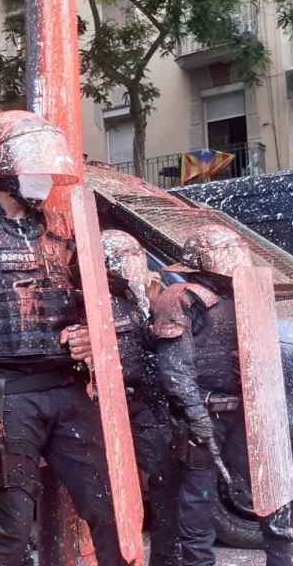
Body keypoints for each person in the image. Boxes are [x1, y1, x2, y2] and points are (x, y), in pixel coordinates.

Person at [0, 110, 126, 566]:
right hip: (6, 396)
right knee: (11, 527)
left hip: (68, 388)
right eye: (30, 165)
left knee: (108, 507)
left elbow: (103, 298)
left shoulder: (60, 228)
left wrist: (92, 334)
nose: (41, 177)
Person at [147, 224, 293, 566]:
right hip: (203, 413)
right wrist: (197, 419)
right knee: (198, 497)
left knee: (271, 489)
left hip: (247, 410)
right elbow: (175, 370)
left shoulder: (243, 296)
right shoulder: (181, 298)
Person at [101, 229, 181, 566]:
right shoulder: (91, 298)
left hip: (146, 403)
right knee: (110, 490)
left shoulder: (143, 297)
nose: (136, 264)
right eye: (127, 258)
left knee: (165, 479)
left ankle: (165, 556)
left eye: (137, 256)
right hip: (106, 404)